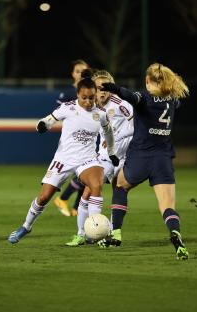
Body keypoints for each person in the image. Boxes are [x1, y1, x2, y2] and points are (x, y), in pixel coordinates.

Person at [8, 76, 119, 245]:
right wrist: (42, 125)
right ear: (77, 95)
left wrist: (111, 152)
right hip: (63, 160)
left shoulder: (101, 114)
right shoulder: (67, 108)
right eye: (84, 98)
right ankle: (26, 226)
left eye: (91, 97)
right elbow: (48, 120)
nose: (88, 102)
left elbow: (109, 133)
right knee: (44, 197)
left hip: (87, 159)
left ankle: (94, 231)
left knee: (96, 185)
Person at [99, 63, 190, 260]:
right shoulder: (172, 100)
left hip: (140, 157)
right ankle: (175, 234)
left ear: (147, 80)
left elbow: (132, 97)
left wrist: (115, 89)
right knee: (167, 206)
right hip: (163, 160)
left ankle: (115, 234)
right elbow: (176, 102)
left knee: (120, 187)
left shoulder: (144, 97)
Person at [92, 70, 134, 246]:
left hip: (125, 155)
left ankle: (112, 232)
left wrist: (115, 138)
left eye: (105, 87)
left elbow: (136, 125)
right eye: (98, 88)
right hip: (105, 155)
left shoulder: (121, 104)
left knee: (119, 189)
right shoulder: (91, 105)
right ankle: (90, 230)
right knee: (94, 186)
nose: (102, 91)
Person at [53, 59, 90, 217]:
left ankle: (76, 207)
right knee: (84, 173)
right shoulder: (68, 93)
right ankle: (63, 198)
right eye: (77, 71)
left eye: (84, 71)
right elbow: (58, 114)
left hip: (88, 137)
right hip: (72, 140)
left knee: (86, 174)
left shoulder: (90, 92)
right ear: (72, 74)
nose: (81, 74)